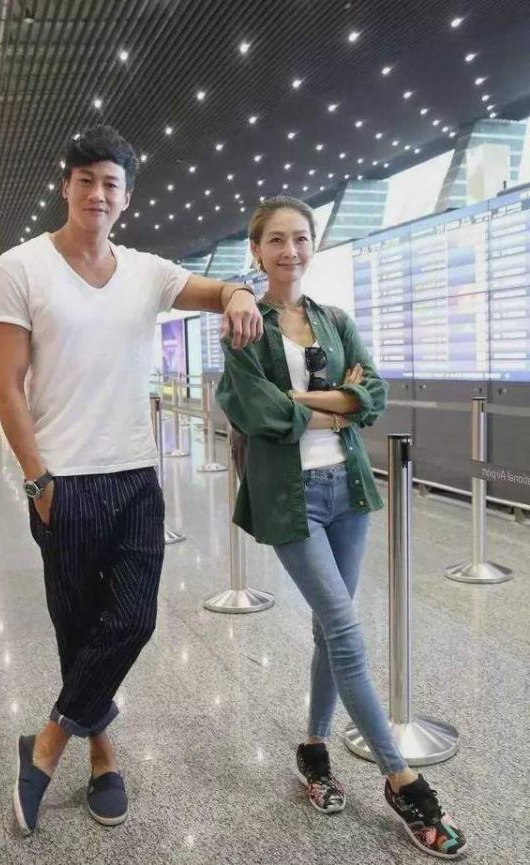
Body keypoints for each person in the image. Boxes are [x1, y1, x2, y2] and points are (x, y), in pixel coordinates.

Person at [0, 124, 262, 836]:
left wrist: (238, 293)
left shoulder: (147, 271)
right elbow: (7, 386)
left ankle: (48, 741)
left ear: (127, 197)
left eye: (111, 183)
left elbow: (215, 289)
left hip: (137, 476)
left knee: (134, 619)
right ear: (66, 186)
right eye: (86, 180)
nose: (98, 193)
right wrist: (38, 481)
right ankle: (103, 755)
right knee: (78, 627)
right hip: (64, 480)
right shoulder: (21, 266)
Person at [216, 196, 467, 860]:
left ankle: (313, 748)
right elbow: (255, 411)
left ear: (312, 245)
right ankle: (402, 780)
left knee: (330, 631)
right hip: (289, 498)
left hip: (347, 490)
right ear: (257, 251)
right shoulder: (245, 325)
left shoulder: (336, 321)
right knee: (347, 631)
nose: (290, 250)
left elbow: (373, 396)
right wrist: (333, 406)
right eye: (276, 240)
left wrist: (299, 400)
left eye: (300, 238)